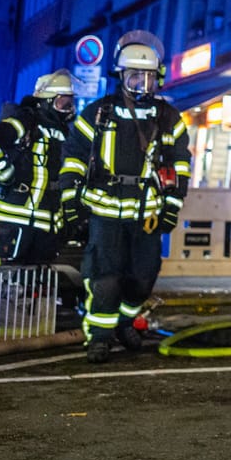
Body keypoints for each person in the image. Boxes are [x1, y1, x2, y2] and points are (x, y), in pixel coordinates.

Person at [61, 31, 191, 363]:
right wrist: (72, 203)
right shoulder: (98, 113)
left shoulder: (169, 119)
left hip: (147, 214)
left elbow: (180, 166)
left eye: (147, 77)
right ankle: (99, 338)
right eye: (134, 76)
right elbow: (74, 156)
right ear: (121, 76)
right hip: (105, 213)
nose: (140, 83)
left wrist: (172, 208)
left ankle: (123, 322)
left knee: (143, 277)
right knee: (104, 278)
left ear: (157, 79)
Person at [0, 70, 79, 266]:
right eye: (62, 103)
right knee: (6, 283)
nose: (68, 109)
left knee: (38, 283)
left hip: (48, 223)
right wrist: (3, 168)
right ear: (46, 101)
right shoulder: (24, 122)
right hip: (15, 218)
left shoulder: (65, 133)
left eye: (70, 102)